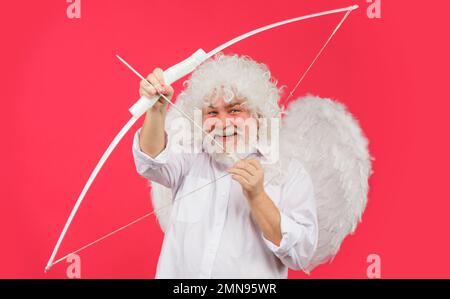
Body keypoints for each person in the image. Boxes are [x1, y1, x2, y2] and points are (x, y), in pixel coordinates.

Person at [132, 54, 318, 278]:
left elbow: (301, 254)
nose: (222, 123)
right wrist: (156, 110)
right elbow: (150, 162)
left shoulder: (289, 170)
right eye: (212, 112)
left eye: (234, 110)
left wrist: (258, 197)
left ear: (257, 115)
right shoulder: (190, 154)